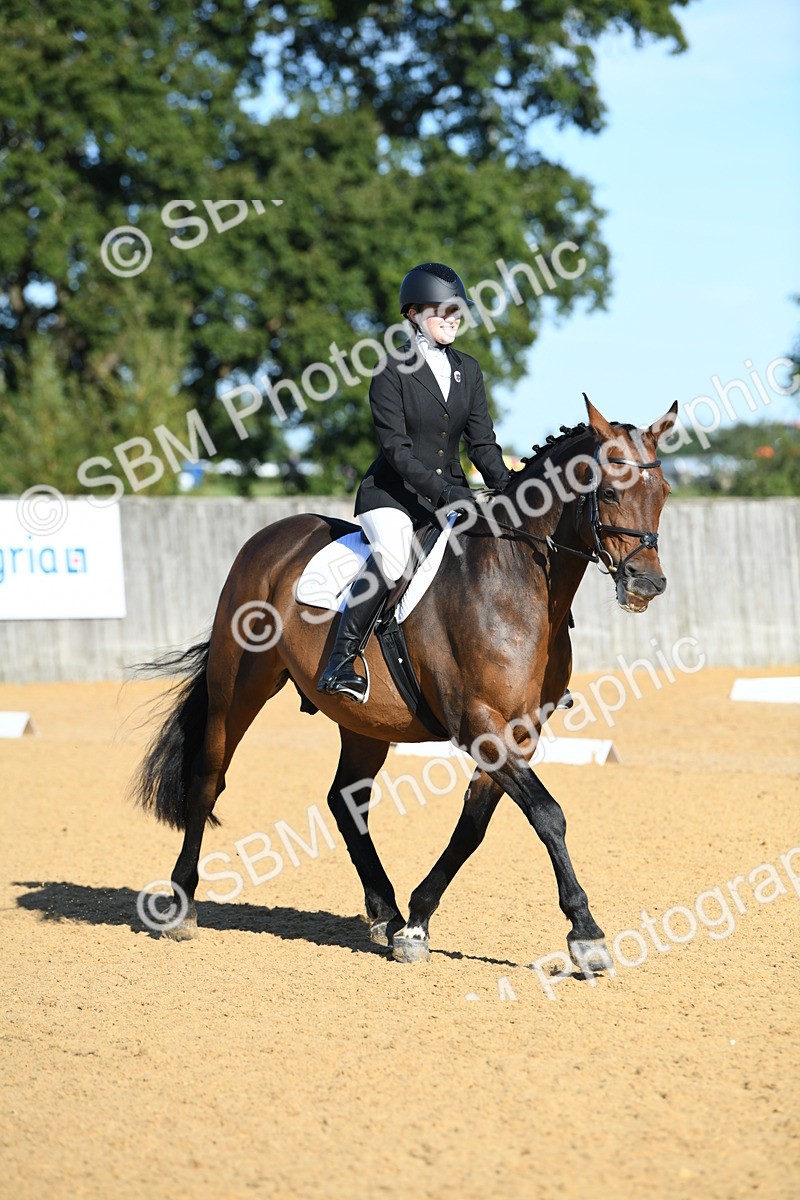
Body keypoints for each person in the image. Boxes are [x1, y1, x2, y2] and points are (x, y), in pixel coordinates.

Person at [317, 261, 511, 703]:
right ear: (414, 314)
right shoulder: (391, 369)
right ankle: (340, 661)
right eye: (443, 310)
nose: (453, 318)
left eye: (458, 311)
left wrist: (509, 486)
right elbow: (396, 451)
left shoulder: (469, 370)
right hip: (393, 495)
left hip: (452, 494)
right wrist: (446, 493)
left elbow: (482, 444)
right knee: (392, 554)